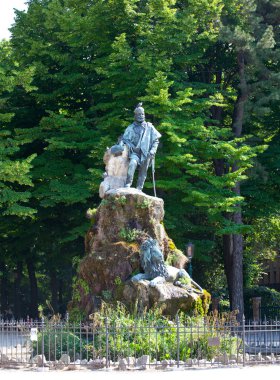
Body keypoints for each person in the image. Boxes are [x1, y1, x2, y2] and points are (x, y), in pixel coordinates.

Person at [122, 103, 161, 191]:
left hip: (146, 152)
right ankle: (127, 185)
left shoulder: (149, 127)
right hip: (134, 152)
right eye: (139, 114)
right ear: (135, 116)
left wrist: (152, 151)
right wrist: (129, 144)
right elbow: (124, 139)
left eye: (142, 114)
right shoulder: (130, 128)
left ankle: (139, 188)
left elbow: (156, 140)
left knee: (143, 172)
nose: (141, 116)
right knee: (132, 164)